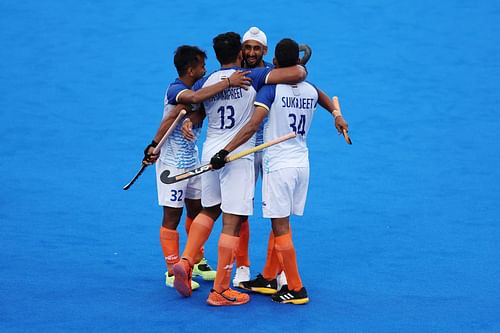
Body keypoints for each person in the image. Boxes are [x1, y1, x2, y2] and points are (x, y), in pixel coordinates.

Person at [171, 32, 307, 306]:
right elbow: (295, 75)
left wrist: (191, 120)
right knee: (232, 221)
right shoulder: (252, 77)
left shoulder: (204, 81)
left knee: (210, 210)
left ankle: (186, 261)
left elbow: (196, 108)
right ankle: (220, 290)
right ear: (240, 54)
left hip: (209, 152)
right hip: (237, 155)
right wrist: (298, 64)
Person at [210, 38, 349, 304]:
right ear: (296, 63)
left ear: (275, 62)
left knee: (280, 225)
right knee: (282, 220)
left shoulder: (270, 92)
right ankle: (270, 276)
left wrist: (224, 151)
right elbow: (321, 95)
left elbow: (251, 127)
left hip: (278, 167)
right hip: (301, 165)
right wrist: (336, 114)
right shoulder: (309, 90)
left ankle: (296, 288)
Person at [142, 45, 251, 291]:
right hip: (170, 166)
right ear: (190, 69)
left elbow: (199, 105)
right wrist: (153, 146)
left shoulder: (201, 86)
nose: (204, 70)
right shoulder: (177, 90)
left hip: (192, 163)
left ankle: (196, 262)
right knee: (172, 216)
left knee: (197, 210)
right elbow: (177, 114)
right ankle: (172, 270)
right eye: (201, 66)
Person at [232, 26, 275, 288]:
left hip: (269, 149)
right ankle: (242, 267)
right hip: (243, 150)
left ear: (265, 51)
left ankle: (276, 271)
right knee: (240, 211)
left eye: (256, 48)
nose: (251, 52)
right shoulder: (234, 76)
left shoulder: (274, 73)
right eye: (247, 47)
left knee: (277, 213)